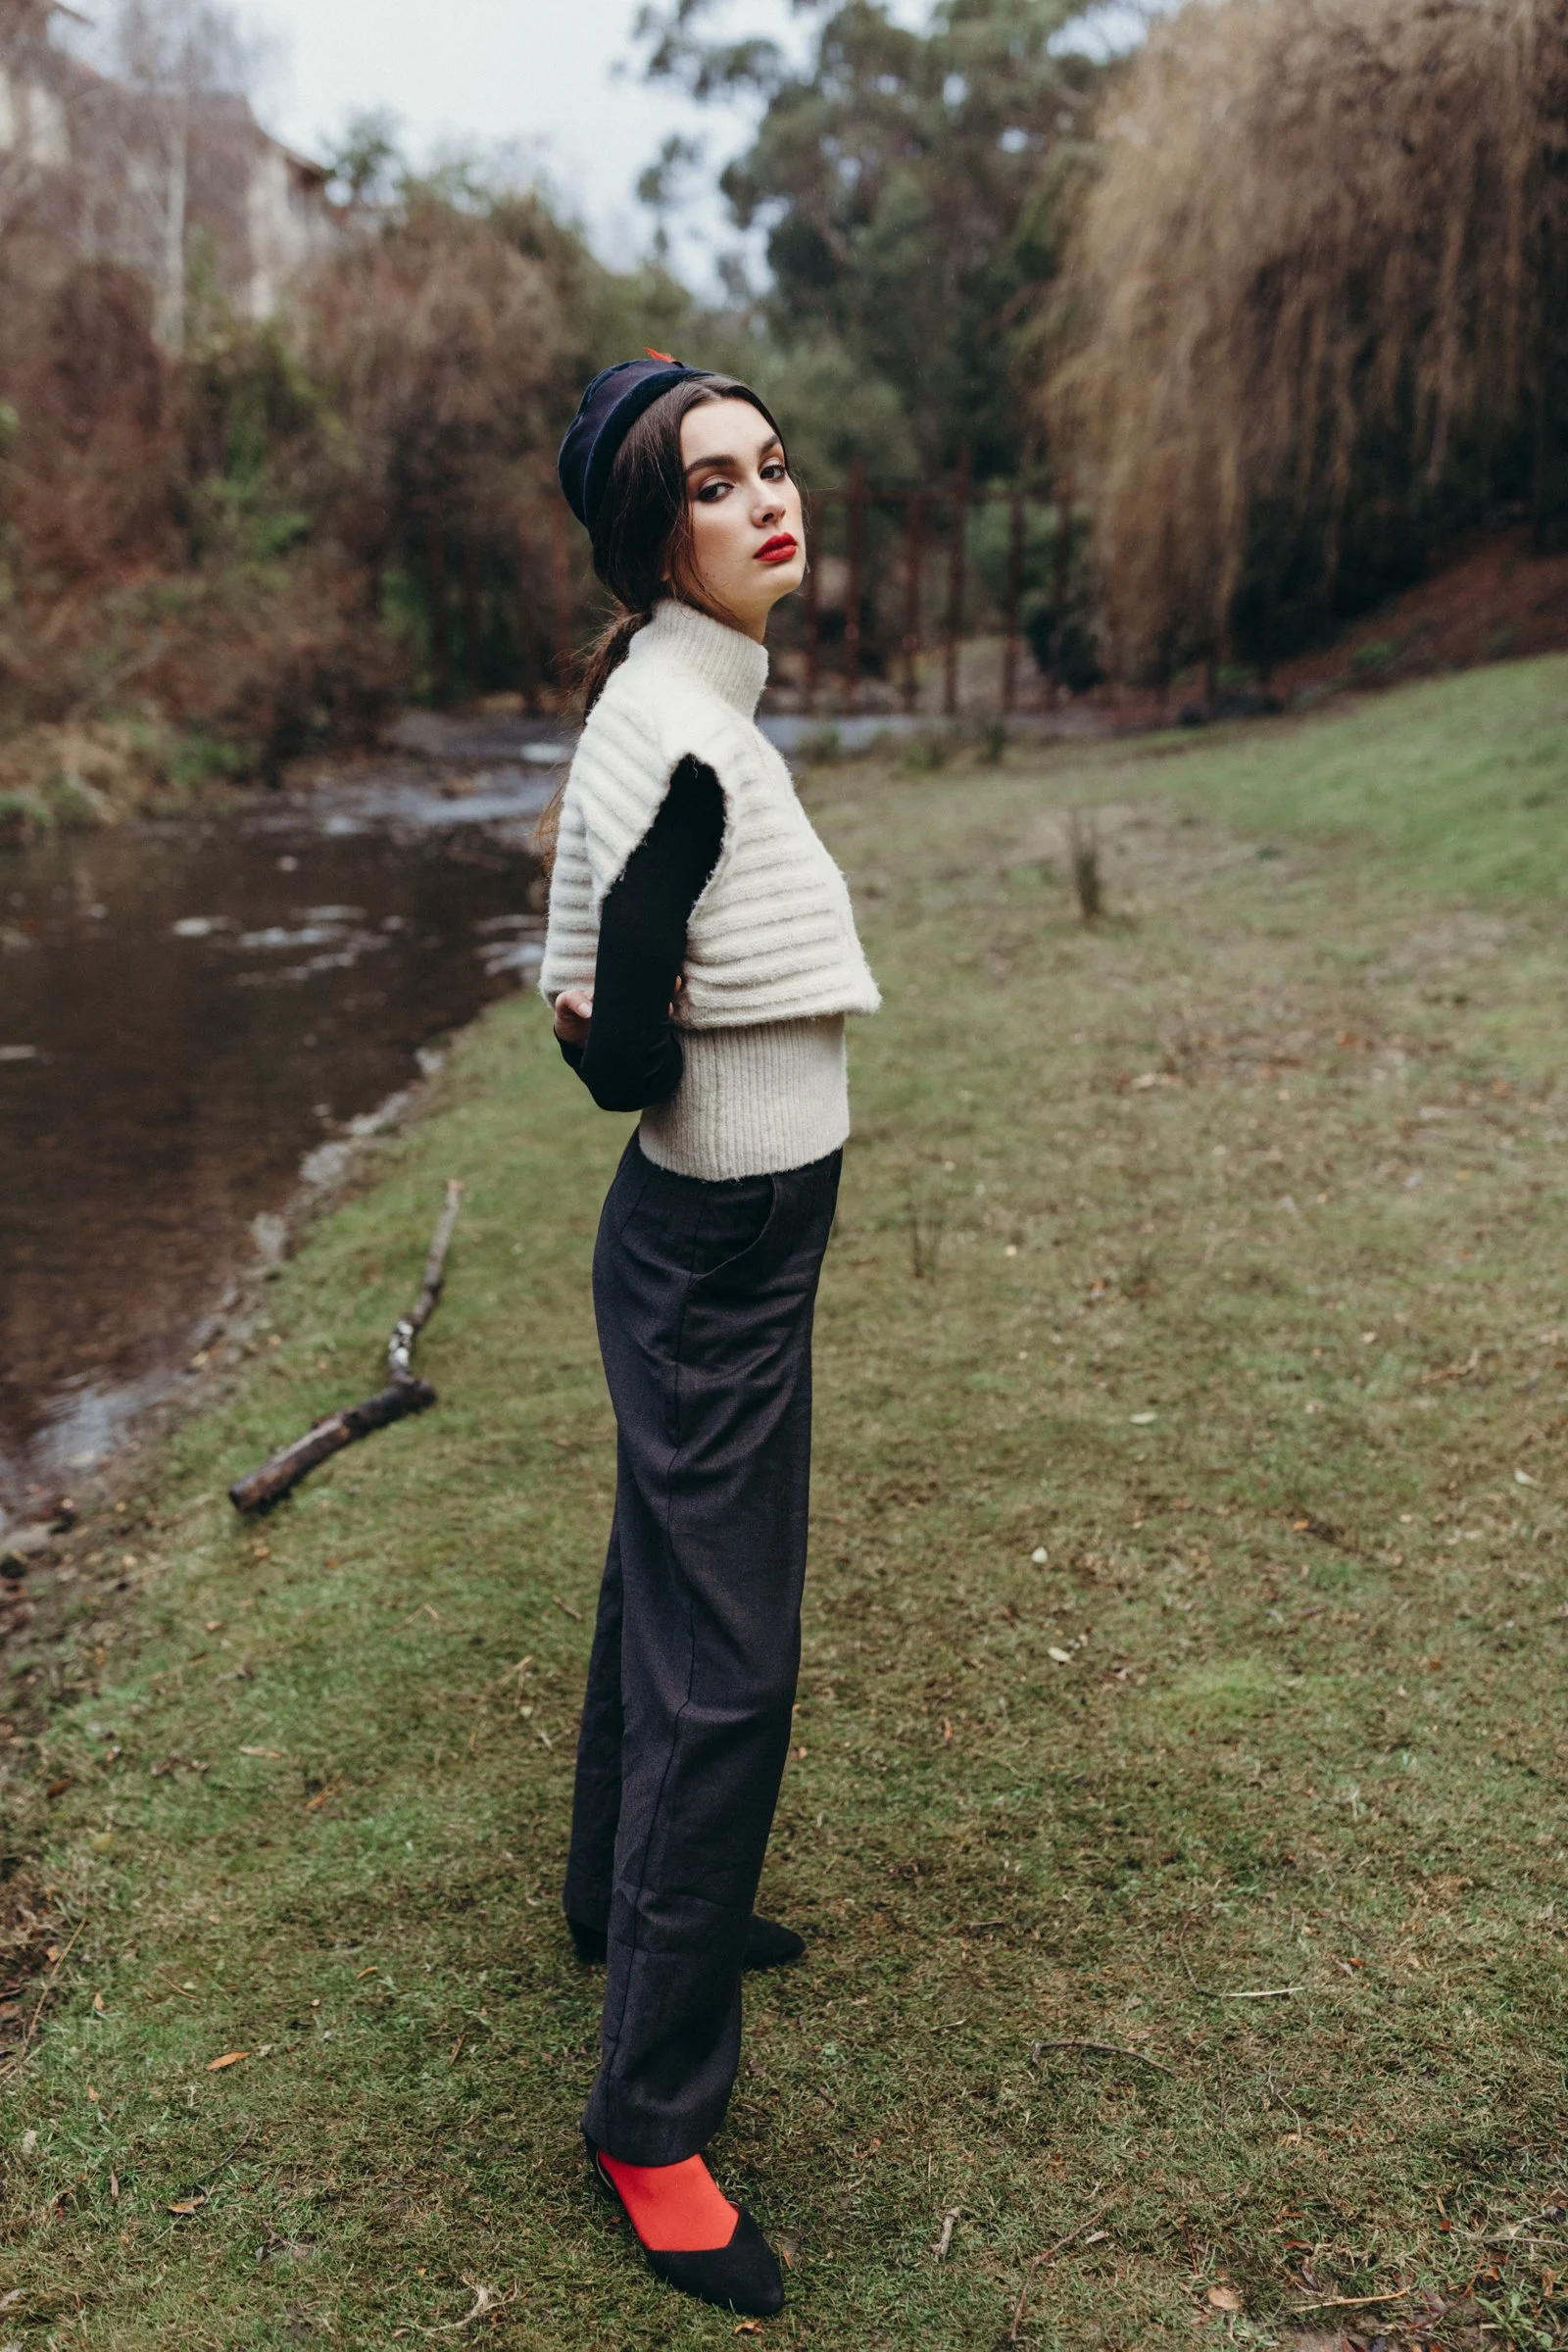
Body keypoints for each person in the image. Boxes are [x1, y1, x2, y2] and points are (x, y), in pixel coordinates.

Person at [537, 355, 881, 2317]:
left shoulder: (680, 692)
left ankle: (618, 1895)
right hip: (711, 1248)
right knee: (727, 1668)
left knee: (664, 1583)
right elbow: (615, 1060)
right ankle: (647, 2127)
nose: (769, 502)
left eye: (774, 466)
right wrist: (649, 915)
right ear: (646, 533)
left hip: (740, 1236)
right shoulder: (671, 734)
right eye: (716, 484)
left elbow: (596, 998)